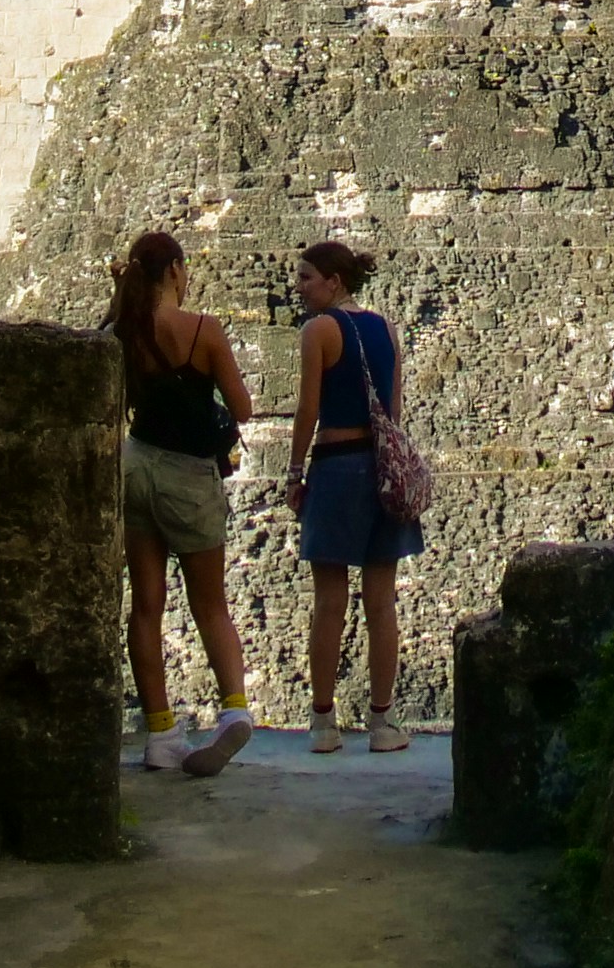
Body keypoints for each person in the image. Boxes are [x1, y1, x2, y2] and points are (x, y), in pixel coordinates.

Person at [108, 230, 259, 777]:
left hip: (136, 464)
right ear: (174, 270)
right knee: (209, 603)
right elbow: (241, 408)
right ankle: (233, 711)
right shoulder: (203, 330)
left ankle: (160, 731)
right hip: (189, 477)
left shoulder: (123, 330)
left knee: (146, 606)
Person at [283, 237, 422, 753]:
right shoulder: (384, 327)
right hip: (382, 468)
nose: (298, 287)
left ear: (333, 281)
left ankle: (323, 723)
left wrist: (295, 472)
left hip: (338, 467)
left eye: (305, 277)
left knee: (330, 599)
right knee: (381, 600)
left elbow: (308, 410)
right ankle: (382, 722)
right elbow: (395, 408)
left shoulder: (319, 331)